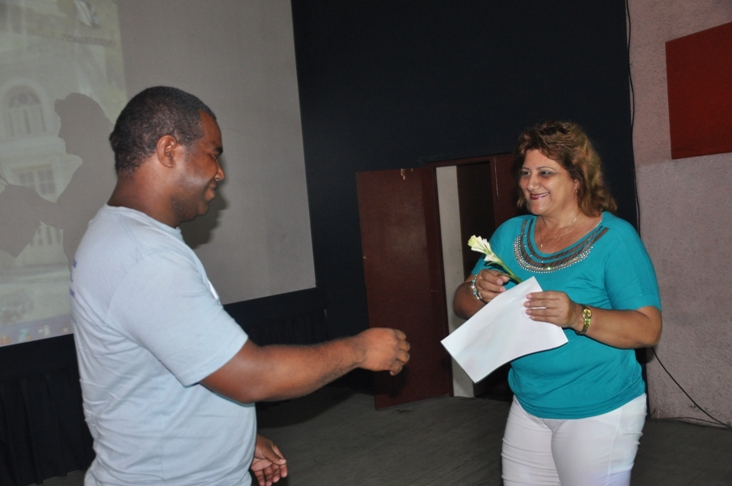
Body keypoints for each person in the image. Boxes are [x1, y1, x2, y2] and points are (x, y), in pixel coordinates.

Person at [70, 86, 410, 486]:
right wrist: (359, 349)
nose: (220, 172)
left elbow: (171, 372)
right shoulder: (145, 257)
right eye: (213, 154)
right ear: (168, 151)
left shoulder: (119, 235)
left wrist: (237, 442)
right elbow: (252, 376)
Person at [454, 120, 662, 486]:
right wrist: (478, 291)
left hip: (599, 409)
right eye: (525, 173)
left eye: (545, 173)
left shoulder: (614, 239)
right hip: (529, 404)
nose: (530, 183)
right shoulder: (509, 234)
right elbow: (461, 302)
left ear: (577, 178)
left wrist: (575, 315)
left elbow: (648, 328)